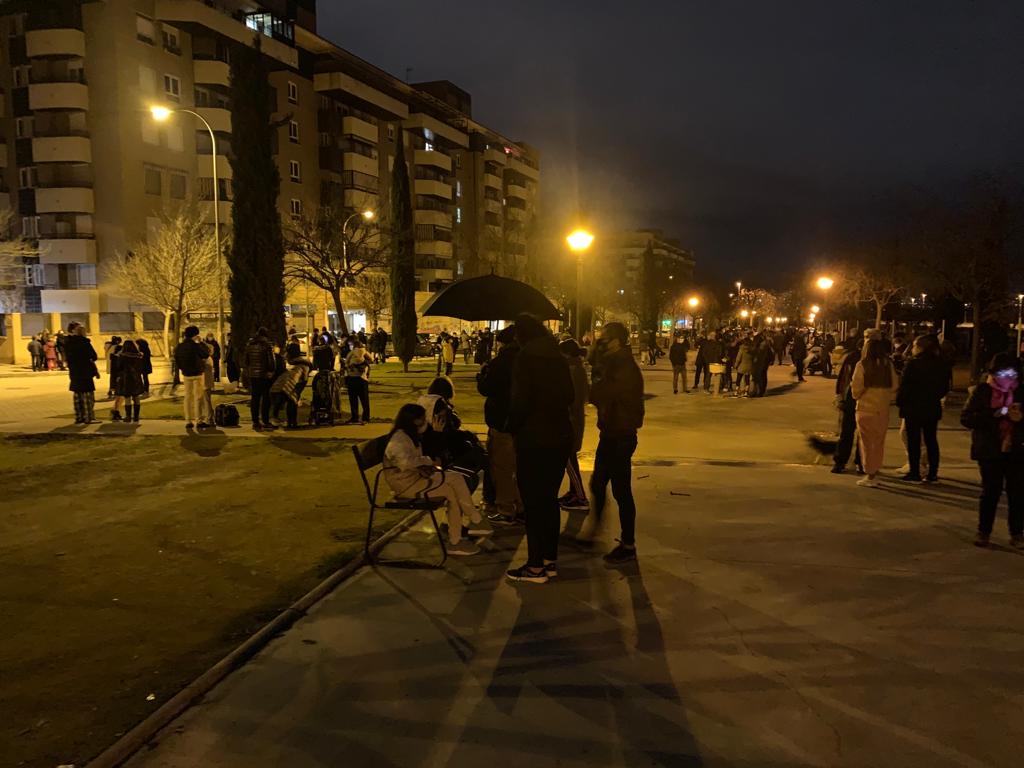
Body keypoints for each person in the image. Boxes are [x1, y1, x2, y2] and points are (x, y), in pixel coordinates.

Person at [505, 314, 574, 584]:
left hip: (534, 438)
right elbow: (569, 395)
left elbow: (519, 402)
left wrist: (512, 426)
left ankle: (535, 567)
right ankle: (549, 560)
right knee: (549, 500)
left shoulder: (525, 359)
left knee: (533, 503)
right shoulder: (557, 358)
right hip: (559, 435)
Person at [383, 403, 489, 556]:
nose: (425, 423)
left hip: (417, 478)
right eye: (422, 420)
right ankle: (456, 540)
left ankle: (475, 520)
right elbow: (406, 462)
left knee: (456, 478)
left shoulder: (410, 435)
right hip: (407, 485)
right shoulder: (399, 439)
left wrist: (427, 464)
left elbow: (414, 461)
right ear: (412, 421)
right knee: (450, 491)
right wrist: (429, 462)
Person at [586, 321, 645, 564]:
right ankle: (593, 533)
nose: (601, 342)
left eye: (605, 339)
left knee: (621, 490)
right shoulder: (614, 363)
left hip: (621, 435)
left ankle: (628, 544)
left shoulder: (622, 366)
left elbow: (598, 394)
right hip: (611, 433)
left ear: (617, 341)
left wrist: (598, 374)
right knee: (598, 483)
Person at [960, 354, 1024, 548]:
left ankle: (1017, 533)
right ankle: (984, 531)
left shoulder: (1021, 392)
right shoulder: (983, 391)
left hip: (1016, 449)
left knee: (1017, 492)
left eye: (1013, 374)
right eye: (1004, 373)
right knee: (990, 491)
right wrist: (996, 415)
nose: (1008, 378)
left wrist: (1019, 418)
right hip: (990, 449)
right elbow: (967, 418)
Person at [478, 325, 522, 525]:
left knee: (502, 468)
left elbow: (487, 388)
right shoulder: (526, 361)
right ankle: (520, 506)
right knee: (519, 468)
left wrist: (483, 374)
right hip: (521, 422)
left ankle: (505, 509)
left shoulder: (501, 362)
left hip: (502, 421)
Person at [896, 335, 950, 483]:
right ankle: (932, 473)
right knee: (931, 440)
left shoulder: (913, 364)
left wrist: (900, 402)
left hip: (913, 406)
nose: (912, 349)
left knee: (914, 441)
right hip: (931, 406)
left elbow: (905, 386)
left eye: (914, 346)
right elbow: (944, 387)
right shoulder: (941, 364)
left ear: (920, 347)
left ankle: (915, 472)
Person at [851, 338, 898, 488]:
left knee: (866, 442)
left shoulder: (862, 365)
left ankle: (869, 473)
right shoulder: (887, 365)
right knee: (878, 441)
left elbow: (856, 389)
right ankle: (875, 469)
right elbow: (895, 385)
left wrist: (859, 394)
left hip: (865, 408)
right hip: (882, 409)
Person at [559, 338, 590, 511]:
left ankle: (580, 496)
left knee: (569, 459)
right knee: (569, 459)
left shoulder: (573, 370)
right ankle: (574, 492)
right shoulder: (576, 368)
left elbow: (575, 399)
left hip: (572, 421)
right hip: (574, 419)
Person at [832, 335, 863, 474]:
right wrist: (840, 395)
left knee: (857, 434)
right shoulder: (853, 358)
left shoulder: (876, 361)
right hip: (855, 401)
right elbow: (843, 377)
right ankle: (844, 461)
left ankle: (859, 462)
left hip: (861, 401)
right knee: (849, 433)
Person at [174, 326, 211, 430]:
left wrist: (182, 368)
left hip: (186, 374)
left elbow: (176, 359)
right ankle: (199, 420)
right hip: (197, 374)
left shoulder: (180, 346)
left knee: (188, 397)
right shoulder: (195, 345)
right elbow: (205, 354)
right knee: (198, 397)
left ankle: (188, 420)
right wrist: (201, 343)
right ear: (195, 335)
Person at [65, 322, 100, 424]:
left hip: (74, 372)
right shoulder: (85, 343)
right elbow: (94, 356)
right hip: (86, 372)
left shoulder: (68, 343)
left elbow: (68, 357)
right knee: (88, 396)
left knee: (77, 396)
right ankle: (89, 417)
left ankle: (79, 417)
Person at [243, 327, 277, 431]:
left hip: (253, 376)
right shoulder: (267, 345)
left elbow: (246, 361)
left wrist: (250, 371)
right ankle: (265, 420)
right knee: (266, 398)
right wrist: (271, 370)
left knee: (255, 398)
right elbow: (271, 362)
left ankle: (255, 421)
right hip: (264, 375)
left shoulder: (250, 344)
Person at [113, 340, 146, 423]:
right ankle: (136, 417)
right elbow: (141, 368)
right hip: (136, 378)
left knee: (127, 397)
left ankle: (128, 417)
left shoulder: (122, 357)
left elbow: (118, 367)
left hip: (126, 378)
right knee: (136, 397)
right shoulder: (138, 356)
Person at [344, 340, 373, 424]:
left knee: (353, 399)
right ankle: (366, 418)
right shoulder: (365, 352)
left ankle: (354, 417)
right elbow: (371, 359)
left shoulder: (351, 353)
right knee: (364, 400)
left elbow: (346, 363)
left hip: (352, 378)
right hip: (362, 379)